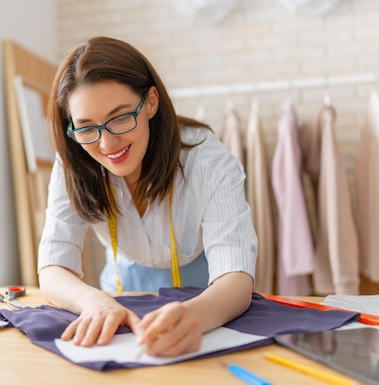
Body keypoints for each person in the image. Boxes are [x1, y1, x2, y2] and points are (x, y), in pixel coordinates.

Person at [38, 36, 258, 357]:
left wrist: (194, 318)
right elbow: (53, 267)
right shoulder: (74, 161)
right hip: (119, 291)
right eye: (86, 127)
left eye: (120, 118)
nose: (107, 145)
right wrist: (94, 301)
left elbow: (236, 281)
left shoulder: (208, 162)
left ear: (151, 102)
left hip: (204, 294)